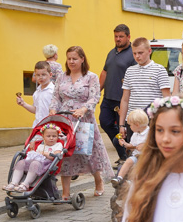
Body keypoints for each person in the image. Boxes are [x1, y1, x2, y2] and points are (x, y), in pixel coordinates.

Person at [50, 46, 112, 198]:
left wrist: (84, 109)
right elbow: (56, 96)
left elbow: (94, 97)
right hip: (65, 119)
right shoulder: (62, 77)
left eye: (74, 58)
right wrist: (52, 109)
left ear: (82, 59)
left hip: (83, 119)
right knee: (64, 152)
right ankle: (65, 192)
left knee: (88, 153)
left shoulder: (91, 77)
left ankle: (98, 181)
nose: (71, 61)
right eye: (69, 58)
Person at [118, 38, 170, 146]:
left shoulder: (159, 70)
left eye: (140, 53)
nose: (137, 56)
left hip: (151, 121)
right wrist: (121, 125)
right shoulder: (129, 71)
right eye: (134, 53)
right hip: (132, 121)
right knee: (133, 154)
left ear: (149, 51)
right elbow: (125, 99)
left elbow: (167, 100)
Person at [100, 24, 135, 168]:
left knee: (124, 129)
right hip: (108, 97)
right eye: (116, 36)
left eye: (121, 36)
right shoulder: (111, 52)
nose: (118, 39)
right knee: (105, 123)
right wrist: (97, 92)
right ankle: (123, 152)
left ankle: (124, 156)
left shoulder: (133, 54)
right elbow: (104, 73)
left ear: (128, 37)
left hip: (122, 99)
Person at [3, 123, 63, 192]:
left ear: (58, 137)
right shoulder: (40, 145)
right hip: (35, 164)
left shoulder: (58, 145)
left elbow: (56, 155)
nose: (51, 138)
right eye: (48, 136)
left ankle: (25, 184)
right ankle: (14, 183)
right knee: (21, 162)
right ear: (43, 137)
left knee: (35, 163)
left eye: (54, 136)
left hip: (46, 164)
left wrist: (45, 153)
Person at [112, 109, 150, 188]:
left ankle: (132, 180)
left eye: (130, 125)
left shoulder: (149, 133)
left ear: (137, 125)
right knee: (129, 161)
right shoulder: (135, 134)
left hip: (146, 157)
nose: (130, 127)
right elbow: (132, 146)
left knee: (139, 166)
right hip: (136, 156)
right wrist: (125, 144)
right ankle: (119, 178)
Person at [16, 61, 54, 127]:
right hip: (37, 126)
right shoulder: (37, 92)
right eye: (38, 75)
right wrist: (23, 104)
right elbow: (36, 110)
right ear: (35, 76)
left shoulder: (54, 91)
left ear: (50, 75)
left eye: (43, 74)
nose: (40, 77)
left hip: (50, 127)